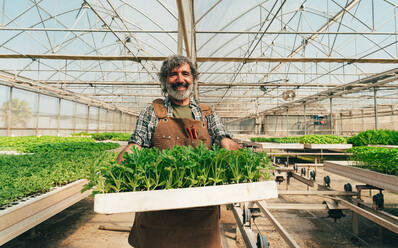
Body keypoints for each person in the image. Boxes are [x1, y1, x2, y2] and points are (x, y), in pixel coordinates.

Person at [117, 55, 240, 248]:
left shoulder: (207, 113)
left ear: (193, 78)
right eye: (173, 74)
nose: (180, 79)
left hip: (201, 213)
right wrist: (122, 164)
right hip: (158, 211)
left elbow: (222, 137)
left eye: (185, 74)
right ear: (165, 80)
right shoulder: (152, 112)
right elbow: (136, 143)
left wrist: (234, 153)